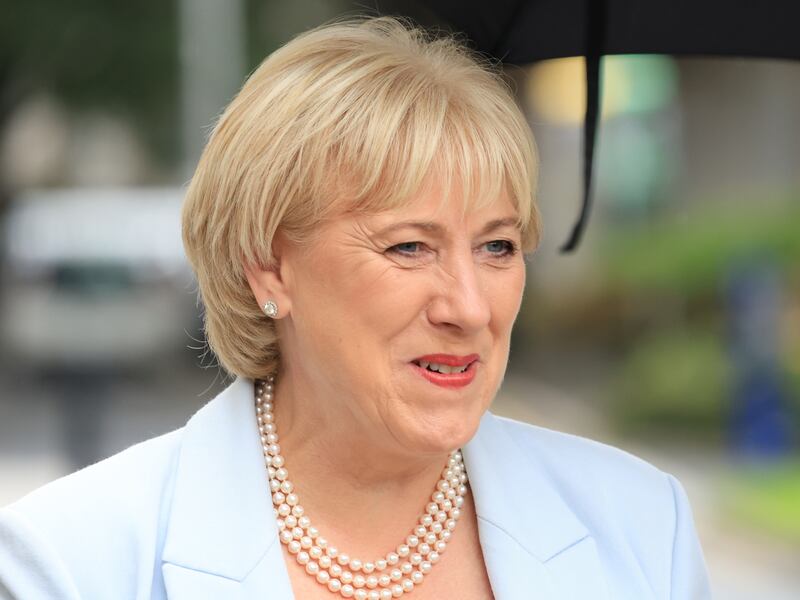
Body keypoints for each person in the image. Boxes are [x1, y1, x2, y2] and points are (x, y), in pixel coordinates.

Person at [0, 16, 711, 600]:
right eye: (408, 247)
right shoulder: (65, 564)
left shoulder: (644, 527)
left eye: (496, 246)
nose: (468, 307)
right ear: (269, 268)